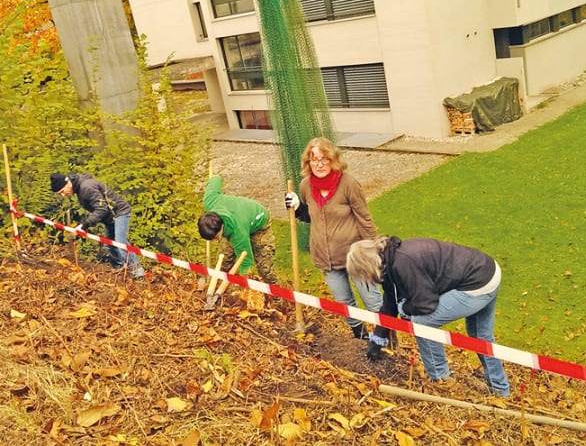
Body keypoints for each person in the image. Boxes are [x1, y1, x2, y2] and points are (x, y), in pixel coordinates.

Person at [346, 235, 510, 397]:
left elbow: (426, 304)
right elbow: (389, 306)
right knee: (481, 336)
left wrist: (405, 310)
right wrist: (376, 342)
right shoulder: (391, 258)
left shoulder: (402, 264)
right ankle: (500, 389)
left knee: (422, 323)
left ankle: (441, 380)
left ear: (365, 266)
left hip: (476, 283)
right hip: (487, 270)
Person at [284, 137, 381, 339]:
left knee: (373, 303)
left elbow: (365, 219)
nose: (319, 164)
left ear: (333, 159)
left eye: (324, 159)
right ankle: (361, 339)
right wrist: (297, 207)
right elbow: (313, 216)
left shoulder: (348, 184)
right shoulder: (305, 186)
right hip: (326, 258)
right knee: (345, 304)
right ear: (308, 163)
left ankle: (386, 341)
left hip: (355, 257)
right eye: (314, 159)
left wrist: (374, 252)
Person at [50, 173, 145, 279]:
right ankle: (120, 267)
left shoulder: (86, 187)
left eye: (62, 191)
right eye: (60, 194)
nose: (63, 195)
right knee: (109, 244)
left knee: (120, 242)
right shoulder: (79, 188)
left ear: (68, 183)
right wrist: (83, 225)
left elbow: (101, 209)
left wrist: (85, 224)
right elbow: (95, 207)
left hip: (120, 213)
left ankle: (138, 273)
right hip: (110, 217)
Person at [198, 173, 275, 283]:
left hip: (259, 223)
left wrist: (243, 283)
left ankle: (277, 298)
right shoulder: (210, 200)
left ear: (222, 227)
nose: (214, 241)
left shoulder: (238, 233)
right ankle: (222, 292)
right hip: (240, 218)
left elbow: (246, 261)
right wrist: (211, 181)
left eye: (215, 238)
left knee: (264, 268)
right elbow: (216, 178)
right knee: (224, 261)